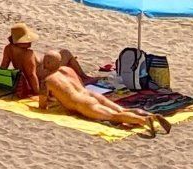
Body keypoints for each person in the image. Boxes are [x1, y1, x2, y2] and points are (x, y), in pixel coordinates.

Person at [38, 50, 169, 135]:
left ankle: (144, 120)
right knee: (121, 110)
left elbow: (42, 105)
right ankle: (152, 115)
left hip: (82, 103)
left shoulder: (47, 81)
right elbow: (79, 85)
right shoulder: (68, 69)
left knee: (114, 116)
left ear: (48, 62)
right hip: (91, 94)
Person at [0, 24, 41, 98]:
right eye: (26, 40)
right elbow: (31, 75)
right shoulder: (28, 54)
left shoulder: (8, 48)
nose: (30, 41)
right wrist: (37, 93)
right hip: (37, 79)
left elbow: (3, 66)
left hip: (23, 79)